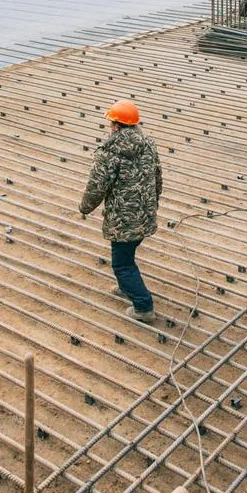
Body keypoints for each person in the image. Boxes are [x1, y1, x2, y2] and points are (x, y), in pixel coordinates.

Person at [80, 99, 162, 324]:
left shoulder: (110, 152)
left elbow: (97, 186)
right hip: (145, 214)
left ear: (116, 125)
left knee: (122, 264)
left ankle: (143, 306)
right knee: (128, 255)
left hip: (123, 220)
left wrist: (85, 207)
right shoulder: (149, 144)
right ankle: (127, 287)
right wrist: (153, 203)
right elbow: (157, 176)